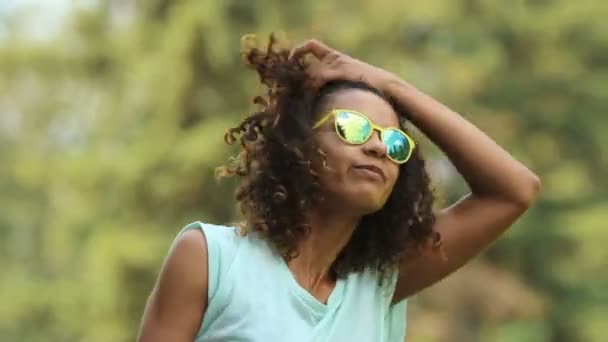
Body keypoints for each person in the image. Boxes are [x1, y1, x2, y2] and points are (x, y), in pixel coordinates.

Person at [137, 34, 541, 342]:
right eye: (353, 127)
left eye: (395, 142)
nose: (379, 146)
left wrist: (391, 85)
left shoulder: (380, 283)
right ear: (300, 146)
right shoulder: (211, 259)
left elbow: (515, 190)